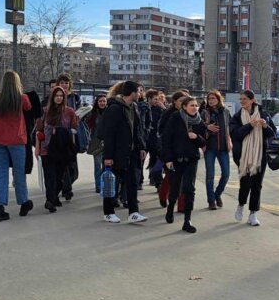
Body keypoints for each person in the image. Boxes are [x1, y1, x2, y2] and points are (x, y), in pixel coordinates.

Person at [0, 70, 34, 222]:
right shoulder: (21, 98)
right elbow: (29, 108)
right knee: (19, 173)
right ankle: (23, 202)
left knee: (0, 175)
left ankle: (0, 209)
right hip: (17, 140)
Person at [97, 80, 149, 224]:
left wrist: (141, 147)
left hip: (131, 151)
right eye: (138, 91)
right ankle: (108, 212)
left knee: (132, 183)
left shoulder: (134, 107)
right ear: (132, 93)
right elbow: (109, 134)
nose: (140, 94)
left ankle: (133, 212)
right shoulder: (114, 109)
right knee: (111, 182)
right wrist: (108, 156)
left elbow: (138, 130)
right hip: (116, 152)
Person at [160, 96, 208, 233]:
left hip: (191, 159)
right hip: (176, 159)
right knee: (174, 188)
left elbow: (204, 142)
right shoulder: (176, 118)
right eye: (191, 105)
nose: (195, 107)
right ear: (184, 107)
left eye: (196, 105)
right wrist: (168, 159)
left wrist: (196, 137)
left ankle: (187, 220)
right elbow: (166, 138)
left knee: (189, 189)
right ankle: (170, 209)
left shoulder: (199, 121)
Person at [229, 90, 275, 227]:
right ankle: (241, 204)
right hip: (244, 156)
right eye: (240, 99)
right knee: (245, 184)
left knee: (257, 185)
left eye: (244, 99)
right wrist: (250, 125)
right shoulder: (237, 117)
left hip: (260, 155)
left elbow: (273, 133)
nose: (242, 101)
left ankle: (253, 213)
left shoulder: (264, 114)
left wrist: (265, 126)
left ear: (252, 100)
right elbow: (235, 134)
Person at [35, 86, 80, 213]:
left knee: (60, 177)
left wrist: (64, 132)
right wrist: (37, 147)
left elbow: (75, 128)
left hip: (62, 149)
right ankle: (50, 201)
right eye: (56, 95)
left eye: (61, 96)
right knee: (50, 176)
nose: (59, 98)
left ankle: (54, 197)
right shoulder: (45, 111)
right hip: (47, 148)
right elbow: (39, 130)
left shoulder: (69, 112)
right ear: (52, 97)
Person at [201, 90, 233, 210]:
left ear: (219, 99)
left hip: (223, 148)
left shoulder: (225, 112)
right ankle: (211, 200)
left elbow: (228, 128)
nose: (211, 100)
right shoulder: (204, 112)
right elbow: (198, 127)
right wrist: (207, 127)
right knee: (210, 175)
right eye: (209, 99)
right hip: (209, 148)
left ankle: (217, 194)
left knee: (226, 174)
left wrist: (229, 141)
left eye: (213, 98)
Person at [85, 94, 109, 193]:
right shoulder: (92, 114)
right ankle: (98, 185)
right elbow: (88, 125)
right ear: (97, 103)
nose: (102, 103)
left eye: (104, 101)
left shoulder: (110, 113)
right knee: (97, 166)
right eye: (100, 101)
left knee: (106, 166)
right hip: (96, 143)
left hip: (108, 143)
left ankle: (105, 185)